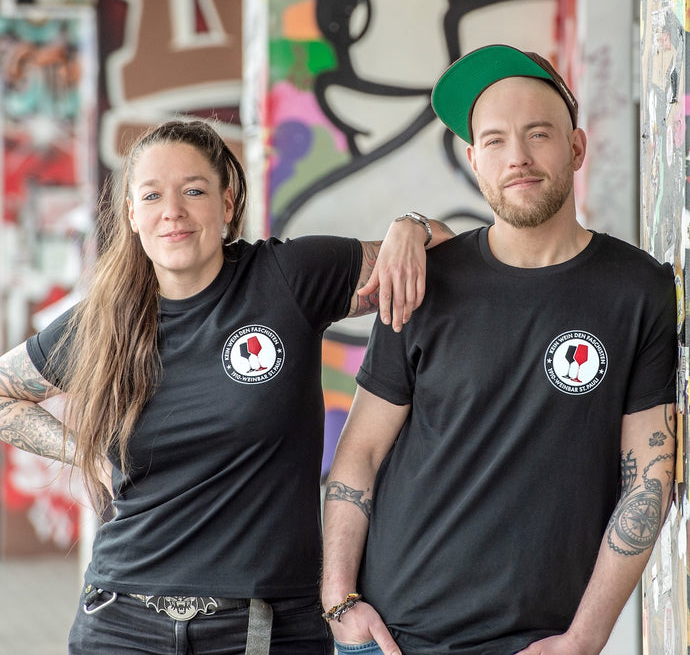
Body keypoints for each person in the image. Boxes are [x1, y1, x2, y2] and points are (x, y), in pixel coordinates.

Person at [0, 118, 453, 655]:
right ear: (131, 215)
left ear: (228, 202)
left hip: (261, 629)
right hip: (120, 621)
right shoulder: (106, 321)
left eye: (193, 190)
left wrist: (412, 226)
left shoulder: (286, 278)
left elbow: (447, 256)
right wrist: (87, 453)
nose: (173, 211)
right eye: (152, 196)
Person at [321, 44, 678, 655]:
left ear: (575, 147)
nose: (517, 157)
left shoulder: (637, 289)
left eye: (538, 133)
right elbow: (362, 452)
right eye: (494, 141)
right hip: (389, 636)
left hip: (535, 644)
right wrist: (337, 600)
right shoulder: (425, 280)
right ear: (473, 162)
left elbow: (650, 476)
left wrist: (584, 640)